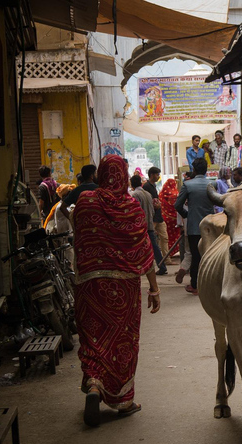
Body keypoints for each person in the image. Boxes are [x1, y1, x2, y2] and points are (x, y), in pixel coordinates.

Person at [72, 155, 161, 427]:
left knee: (94, 338)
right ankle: (123, 401)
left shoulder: (85, 201)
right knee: (122, 341)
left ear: (101, 174)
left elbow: (77, 231)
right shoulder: (130, 207)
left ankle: (94, 384)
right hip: (124, 289)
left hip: (89, 285)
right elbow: (143, 247)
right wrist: (154, 289)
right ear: (123, 176)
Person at [174, 158, 214, 295]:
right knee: (210, 255)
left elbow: (177, 205)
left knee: (195, 256)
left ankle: (195, 285)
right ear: (206, 170)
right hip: (210, 226)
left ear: (194, 169)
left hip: (194, 227)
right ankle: (210, 283)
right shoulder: (212, 184)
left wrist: (187, 215)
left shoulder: (188, 185)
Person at [131, 175, 167, 276]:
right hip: (149, 224)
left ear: (132, 185)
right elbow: (152, 211)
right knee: (154, 247)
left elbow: (135, 211)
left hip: (140, 226)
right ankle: (162, 266)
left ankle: (138, 268)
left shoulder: (134, 195)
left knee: (137, 248)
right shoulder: (147, 194)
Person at [143, 167, 172, 266]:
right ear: (151, 175)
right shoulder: (146, 186)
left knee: (164, 238)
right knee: (149, 240)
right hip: (152, 217)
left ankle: (166, 259)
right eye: (157, 174)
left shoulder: (153, 186)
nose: (158, 176)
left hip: (159, 217)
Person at [159, 178, 180, 258]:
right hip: (174, 218)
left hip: (165, 218)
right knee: (175, 235)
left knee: (166, 236)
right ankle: (173, 250)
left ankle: (168, 252)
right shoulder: (176, 193)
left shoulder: (162, 194)